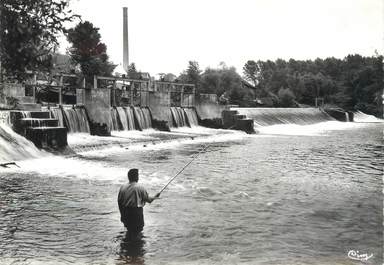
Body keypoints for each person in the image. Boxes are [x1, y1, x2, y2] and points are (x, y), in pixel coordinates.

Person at [118, 168, 159, 237]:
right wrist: (155, 196)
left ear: (129, 177)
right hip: (136, 213)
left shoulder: (123, 187)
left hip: (125, 212)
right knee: (137, 231)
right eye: (138, 175)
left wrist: (122, 214)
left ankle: (128, 245)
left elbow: (119, 202)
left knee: (129, 230)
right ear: (136, 177)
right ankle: (136, 246)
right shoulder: (140, 187)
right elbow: (149, 200)